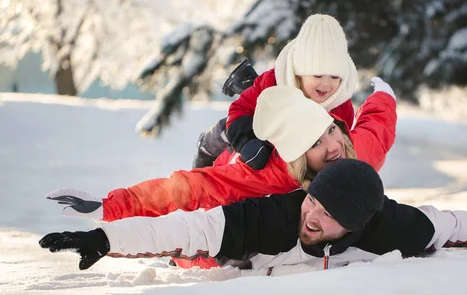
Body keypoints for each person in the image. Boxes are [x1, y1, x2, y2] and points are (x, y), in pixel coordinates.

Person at [39, 159, 467, 272]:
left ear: (355, 225)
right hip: (229, 263)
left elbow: (454, 224)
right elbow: (188, 228)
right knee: (193, 252)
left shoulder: (397, 227)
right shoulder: (275, 216)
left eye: (327, 216)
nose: (311, 215)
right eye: (313, 200)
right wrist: (106, 239)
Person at [46, 80, 396, 223]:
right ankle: (215, 138)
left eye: (331, 129)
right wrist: (108, 206)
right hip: (233, 164)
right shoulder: (264, 178)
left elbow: (378, 123)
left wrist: (383, 91)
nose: (334, 146)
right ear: (297, 156)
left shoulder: (353, 155)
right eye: (316, 143)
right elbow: (185, 189)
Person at [193, 13, 359, 170]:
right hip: (262, 126)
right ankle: (207, 146)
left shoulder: (341, 106)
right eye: (317, 75)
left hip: (292, 145)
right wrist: (246, 142)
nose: (327, 84)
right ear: (299, 73)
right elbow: (240, 109)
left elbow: (341, 142)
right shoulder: (274, 82)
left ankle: (247, 83)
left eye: (335, 77)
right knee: (234, 126)